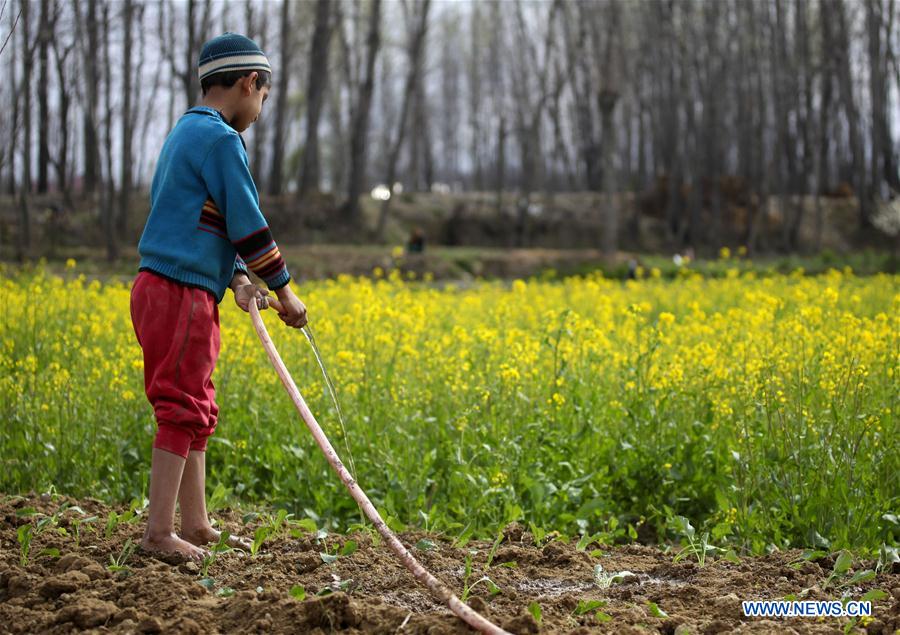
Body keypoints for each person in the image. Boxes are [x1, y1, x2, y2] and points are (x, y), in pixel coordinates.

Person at [130, 33, 307, 561]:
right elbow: (247, 223)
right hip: (178, 290)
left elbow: (205, 220)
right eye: (264, 99)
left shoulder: (186, 132)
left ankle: (197, 523)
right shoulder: (222, 141)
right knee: (181, 407)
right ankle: (159, 533)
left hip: (174, 286)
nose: (259, 111)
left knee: (198, 407)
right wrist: (284, 290)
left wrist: (234, 279)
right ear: (251, 83)